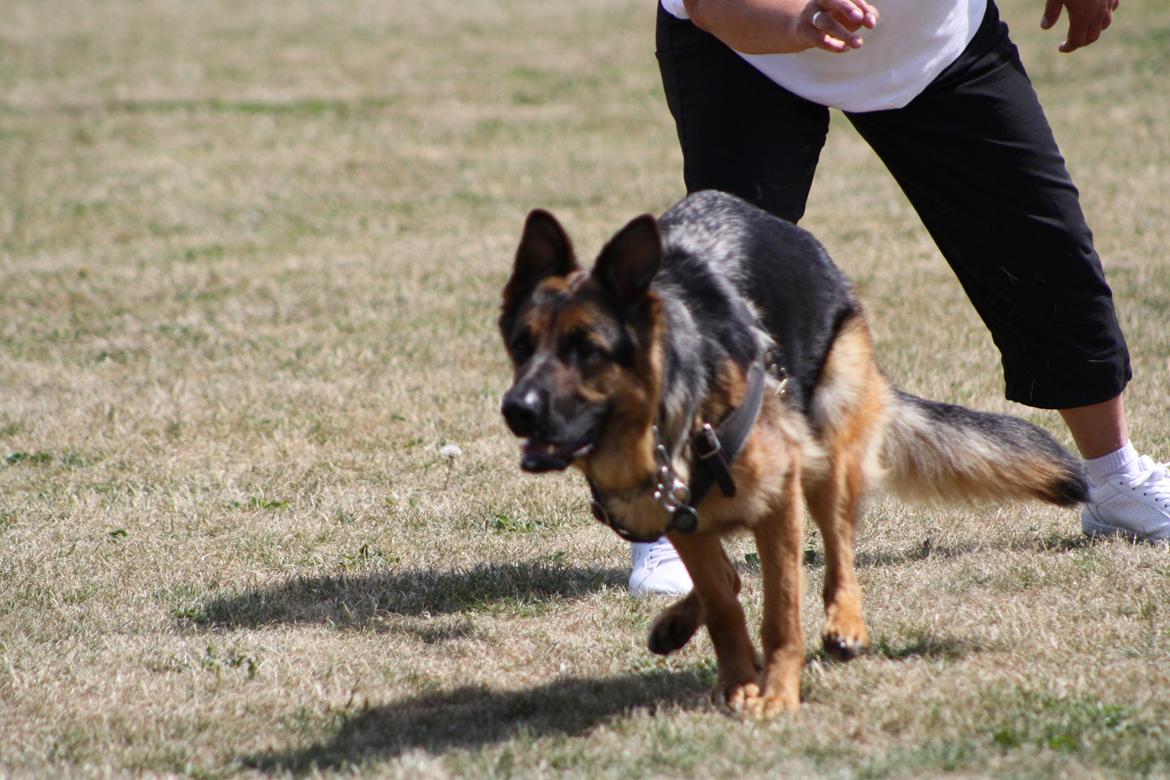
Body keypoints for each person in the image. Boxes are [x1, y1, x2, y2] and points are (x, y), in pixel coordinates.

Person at [628, 0, 1169, 596]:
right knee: (720, 280)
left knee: (1044, 245)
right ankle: (671, 510)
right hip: (748, 49)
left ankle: (1114, 477)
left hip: (935, 44)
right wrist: (797, 24)